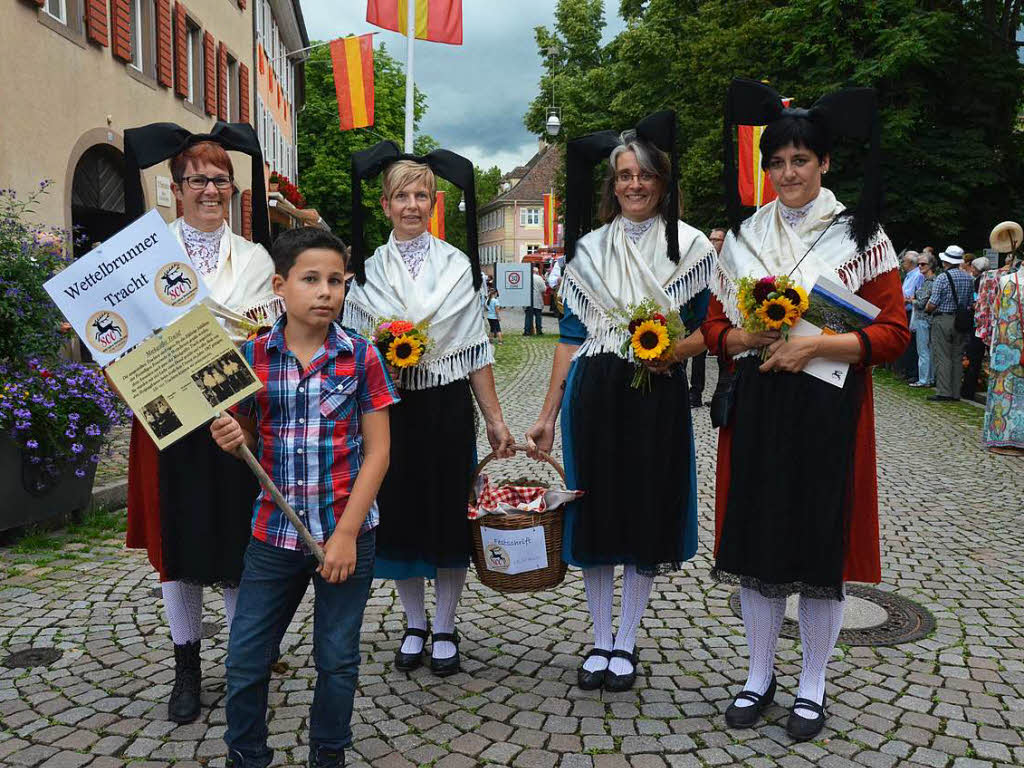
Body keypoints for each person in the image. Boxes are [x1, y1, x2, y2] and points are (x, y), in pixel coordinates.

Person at [708, 80, 909, 741]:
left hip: (829, 409)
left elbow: (893, 335)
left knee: (819, 552)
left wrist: (820, 343)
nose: (789, 172)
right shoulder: (742, 237)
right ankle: (758, 676)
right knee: (762, 547)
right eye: (778, 161)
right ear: (765, 168)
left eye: (801, 160)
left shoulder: (859, 235)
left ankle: (813, 685)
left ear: (824, 164)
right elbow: (714, 326)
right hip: (760, 406)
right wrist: (743, 337)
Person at [527, 111, 714, 693]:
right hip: (595, 392)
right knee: (599, 515)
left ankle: (627, 641)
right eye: (624, 175)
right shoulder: (587, 249)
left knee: (643, 514)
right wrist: (547, 413)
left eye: (645, 175)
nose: (634, 185)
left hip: (655, 392)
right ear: (613, 185)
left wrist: (672, 352)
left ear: (663, 181)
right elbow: (570, 337)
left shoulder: (691, 246)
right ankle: (600, 638)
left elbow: (712, 328)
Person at [210, 227, 398, 768]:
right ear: (280, 286)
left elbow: (379, 453)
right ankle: (246, 755)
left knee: (337, 659)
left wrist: (344, 536)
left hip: (345, 536)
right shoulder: (251, 356)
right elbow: (245, 434)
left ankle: (328, 754)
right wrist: (232, 438)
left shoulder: (361, 358)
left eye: (335, 280)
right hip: (273, 535)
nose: (325, 292)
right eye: (311, 279)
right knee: (246, 656)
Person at [122, 122, 281, 724]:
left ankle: (245, 665)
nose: (209, 191)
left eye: (219, 180)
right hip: (166, 410)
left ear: (232, 189)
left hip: (238, 411)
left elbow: (271, 339)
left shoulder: (257, 258)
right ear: (177, 188)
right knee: (179, 542)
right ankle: (186, 665)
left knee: (239, 538)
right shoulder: (146, 256)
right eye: (197, 181)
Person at [344, 142, 515, 677]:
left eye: (421, 195)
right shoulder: (368, 272)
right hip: (390, 411)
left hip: (444, 404)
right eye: (401, 196)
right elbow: (356, 350)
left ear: (434, 202)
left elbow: (474, 352)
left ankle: (445, 623)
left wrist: (494, 419)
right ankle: (413, 622)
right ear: (385, 205)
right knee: (399, 517)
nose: (412, 205)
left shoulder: (457, 265)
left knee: (444, 515)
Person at [684, 227, 727, 406]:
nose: (712, 242)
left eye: (717, 239)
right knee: (691, 355)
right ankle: (694, 394)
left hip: (721, 318)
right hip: (698, 316)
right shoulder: (701, 262)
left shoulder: (729, 264)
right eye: (711, 238)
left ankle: (719, 396)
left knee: (722, 361)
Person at [926, 245, 974, 401]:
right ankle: (955, 393)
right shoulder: (968, 277)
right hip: (961, 320)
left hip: (943, 319)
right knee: (957, 356)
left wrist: (927, 308)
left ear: (945, 261)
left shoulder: (942, 277)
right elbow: (970, 302)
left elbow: (933, 303)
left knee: (943, 356)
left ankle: (944, 392)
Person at [961, 256, 990, 399]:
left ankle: (968, 389)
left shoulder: (979, 282)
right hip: (986, 323)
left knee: (973, 357)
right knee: (976, 358)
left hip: (977, 323)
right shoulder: (989, 279)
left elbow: (975, 302)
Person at [909, 251, 937, 387]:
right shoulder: (929, 281)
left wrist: (911, 300)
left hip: (923, 319)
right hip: (929, 319)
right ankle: (929, 378)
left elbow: (921, 303)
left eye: (923, 264)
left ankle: (924, 380)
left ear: (931, 265)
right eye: (918, 264)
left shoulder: (930, 282)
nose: (920, 266)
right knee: (929, 350)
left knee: (923, 350)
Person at [895, 250, 923, 382]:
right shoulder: (909, 275)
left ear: (911, 263)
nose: (902, 264)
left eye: (904, 261)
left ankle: (912, 372)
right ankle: (906, 370)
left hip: (912, 312)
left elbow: (916, 294)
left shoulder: (917, 275)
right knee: (906, 341)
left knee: (911, 343)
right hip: (905, 310)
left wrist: (907, 299)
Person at [524, 264, 546, 335]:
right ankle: (539, 330)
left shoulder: (526, 277)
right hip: (537, 299)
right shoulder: (539, 278)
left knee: (528, 316)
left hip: (528, 299)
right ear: (537, 272)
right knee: (538, 316)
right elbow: (543, 289)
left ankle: (527, 331)